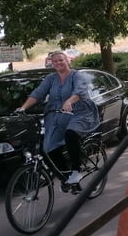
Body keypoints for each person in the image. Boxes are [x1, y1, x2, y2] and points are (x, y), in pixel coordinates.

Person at [15, 50, 99, 185]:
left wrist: (70, 101)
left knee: (71, 133)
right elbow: (38, 94)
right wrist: (23, 108)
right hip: (57, 114)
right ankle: (66, 178)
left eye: (61, 60)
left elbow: (79, 91)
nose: (58, 63)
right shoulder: (51, 79)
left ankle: (76, 170)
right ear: (52, 63)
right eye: (55, 61)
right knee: (48, 147)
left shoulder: (77, 76)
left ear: (68, 61)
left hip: (80, 112)